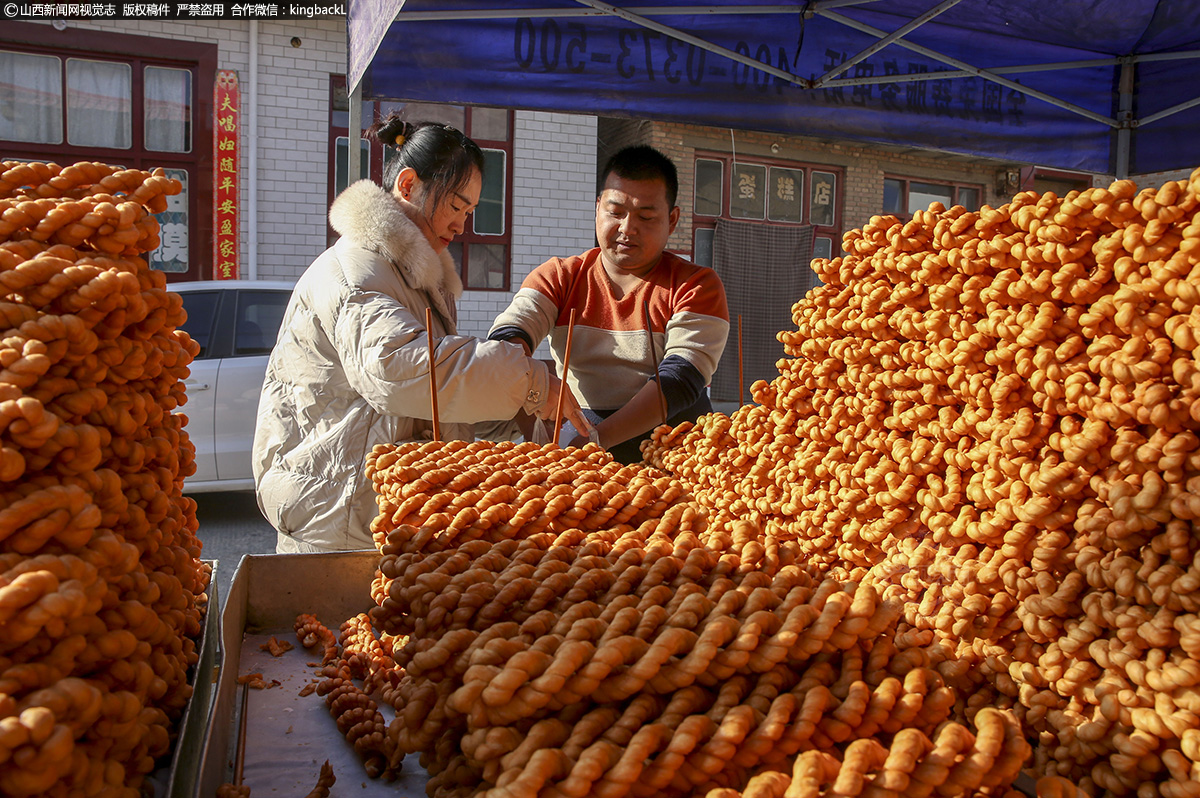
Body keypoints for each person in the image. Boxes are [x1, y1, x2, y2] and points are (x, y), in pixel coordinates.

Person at [253, 116, 586, 553]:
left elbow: (432, 409)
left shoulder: (415, 278)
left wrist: (514, 416)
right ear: (408, 185)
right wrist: (531, 380)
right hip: (336, 516)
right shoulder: (355, 272)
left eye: (470, 213)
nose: (462, 225)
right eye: (455, 205)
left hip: (387, 513)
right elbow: (397, 370)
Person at [488, 145, 729, 464]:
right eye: (615, 213)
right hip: (579, 452)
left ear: (672, 220)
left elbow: (681, 379)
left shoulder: (696, 285)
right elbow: (507, 338)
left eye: (646, 216)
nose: (628, 229)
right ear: (597, 208)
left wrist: (597, 440)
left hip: (677, 455)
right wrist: (530, 384)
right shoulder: (559, 277)